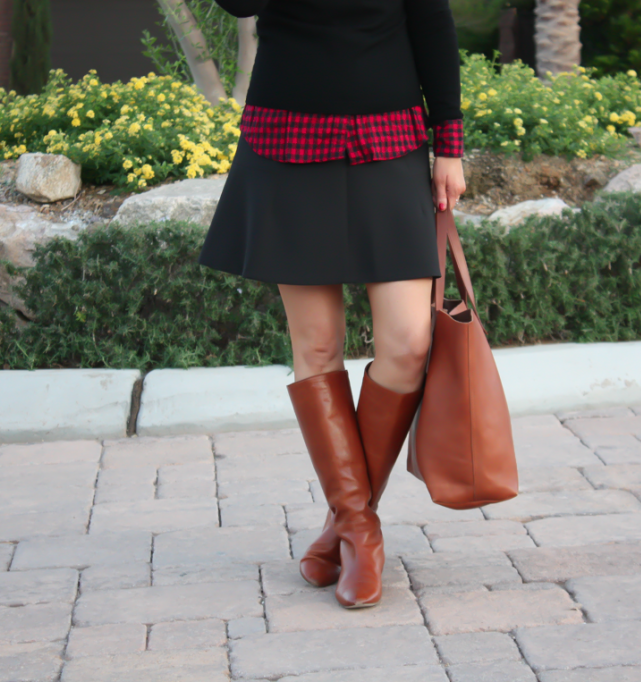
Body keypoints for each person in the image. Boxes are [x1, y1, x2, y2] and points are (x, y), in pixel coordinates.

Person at [201, 0, 466, 609]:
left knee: (409, 343)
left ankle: (342, 526)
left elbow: (431, 23)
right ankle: (360, 528)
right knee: (316, 344)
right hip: (288, 139)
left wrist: (448, 143)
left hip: (389, 137)